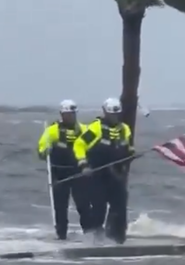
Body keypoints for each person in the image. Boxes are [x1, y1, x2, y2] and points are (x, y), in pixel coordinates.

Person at [73, 97, 134, 244]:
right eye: (111, 114)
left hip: (116, 174)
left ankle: (117, 237)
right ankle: (95, 237)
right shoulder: (96, 128)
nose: (114, 117)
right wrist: (83, 165)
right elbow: (79, 145)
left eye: (116, 114)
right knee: (99, 207)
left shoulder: (124, 129)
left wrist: (130, 154)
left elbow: (127, 147)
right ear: (105, 112)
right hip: (97, 174)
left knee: (119, 206)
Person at [37, 99, 91, 240]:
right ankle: (61, 235)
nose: (70, 117)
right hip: (60, 175)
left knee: (84, 206)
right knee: (60, 209)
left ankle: (90, 235)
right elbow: (41, 149)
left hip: (78, 173)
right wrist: (45, 151)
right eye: (67, 114)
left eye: (72, 114)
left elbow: (93, 145)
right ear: (61, 114)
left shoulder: (84, 130)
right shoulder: (52, 131)